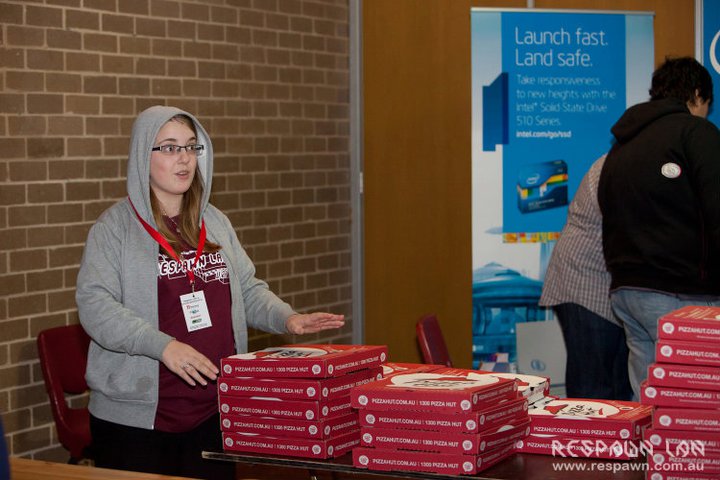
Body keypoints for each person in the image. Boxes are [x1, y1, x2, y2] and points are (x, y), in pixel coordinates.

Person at [75, 105, 345, 479]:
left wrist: (287, 317)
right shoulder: (114, 230)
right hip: (138, 421)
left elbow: (247, 289)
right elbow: (95, 307)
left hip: (212, 411)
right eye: (169, 148)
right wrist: (162, 345)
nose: (184, 158)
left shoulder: (214, 222)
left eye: (191, 147)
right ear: (142, 155)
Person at [598, 57, 720, 400]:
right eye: (707, 105)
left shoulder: (621, 146)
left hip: (628, 290)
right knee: (693, 405)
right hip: (682, 291)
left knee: (650, 402)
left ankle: (647, 456)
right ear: (697, 95)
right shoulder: (696, 132)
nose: (707, 112)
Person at [540, 155, 633, 401]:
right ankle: (586, 440)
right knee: (592, 391)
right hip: (585, 282)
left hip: (614, 286)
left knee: (619, 391)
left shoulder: (636, 157)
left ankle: (614, 441)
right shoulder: (624, 163)